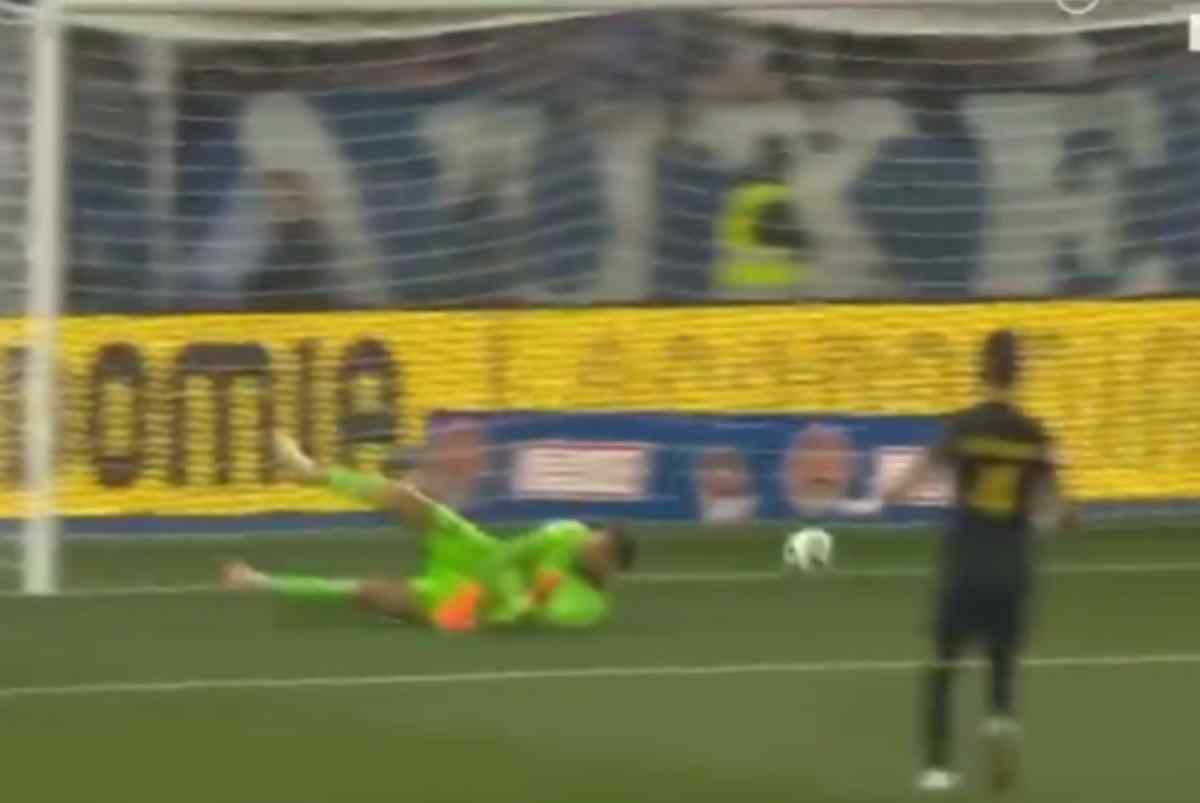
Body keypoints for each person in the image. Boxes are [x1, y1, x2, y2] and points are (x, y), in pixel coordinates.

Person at [863, 330, 1077, 794]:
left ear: (981, 371)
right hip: (1012, 563)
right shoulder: (1034, 434)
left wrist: (888, 495)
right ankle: (1000, 721)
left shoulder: (963, 426)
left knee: (943, 662)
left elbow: (918, 475)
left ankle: (938, 768)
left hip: (967, 559)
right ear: (1020, 374)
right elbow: (1060, 512)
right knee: (1001, 657)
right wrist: (1058, 510)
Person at [221, 433, 637, 632]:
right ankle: (309, 472)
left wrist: (494, 602)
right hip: (479, 557)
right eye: (595, 537)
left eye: (598, 549)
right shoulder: (569, 533)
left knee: (372, 593)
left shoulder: (588, 606)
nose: (589, 544)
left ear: (608, 568)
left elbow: (527, 619)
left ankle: (259, 581)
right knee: (407, 498)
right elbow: (510, 552)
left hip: (476, 602)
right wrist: (491, 583)